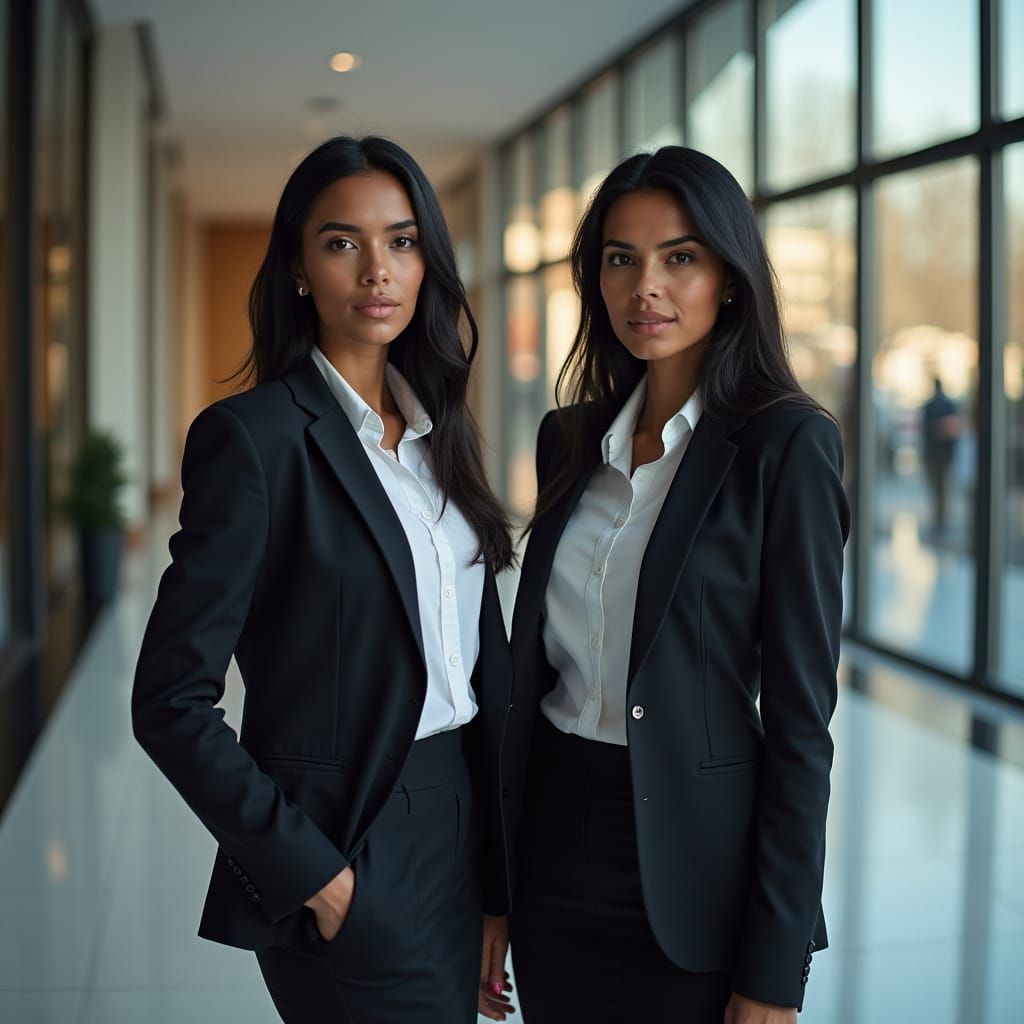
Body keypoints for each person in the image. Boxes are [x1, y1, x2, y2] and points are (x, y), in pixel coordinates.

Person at [132, 135, 517, 1024]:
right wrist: (320, 878)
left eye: (403, 242)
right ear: (301, 268)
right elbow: (169, 700)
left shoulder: (439, 434)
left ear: (428, 265)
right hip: (350, 836)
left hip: (460, 821)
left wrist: (498, 872)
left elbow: (478, 665)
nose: (377, 270)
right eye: (343, 243)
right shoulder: (255, 440)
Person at [506, 146, 850, 1024]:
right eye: (621, 259)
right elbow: (530, 681)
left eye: (679, 258)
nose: (644, 287)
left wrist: (775, 971)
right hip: (553, 855)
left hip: (696, 878)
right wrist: (493, 890)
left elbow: (803, 727)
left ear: (729, 278)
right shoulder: (568, 441)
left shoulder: (787, 447)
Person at [921, 376, 961, 539]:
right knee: (943, 488)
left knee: (936, 489)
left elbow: (924, 433)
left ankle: (939, 519)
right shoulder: (949, 405)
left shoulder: (929, 406)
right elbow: (954, 432)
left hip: (933, 455)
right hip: (945, 455)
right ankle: (942, 519)